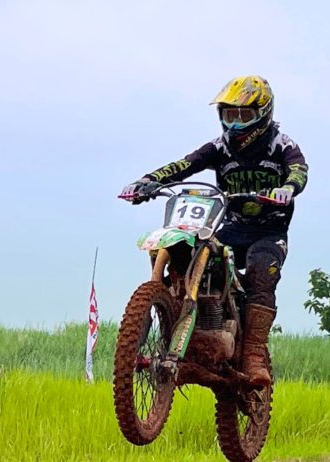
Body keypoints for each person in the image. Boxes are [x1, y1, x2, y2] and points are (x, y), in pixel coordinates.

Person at [120, 75, 308, 387]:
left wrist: (287, 188)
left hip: (269, 232)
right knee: (195, 254)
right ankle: (179, 318)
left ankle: (254, 354)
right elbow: (184, 165)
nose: (235, 124)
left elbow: (299, 170)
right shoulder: (219, 148)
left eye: (243, 115)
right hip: (231, 227)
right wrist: (148, 181)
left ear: (263, 113)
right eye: (229, 115)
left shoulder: (282, 145)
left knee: (262, 272)